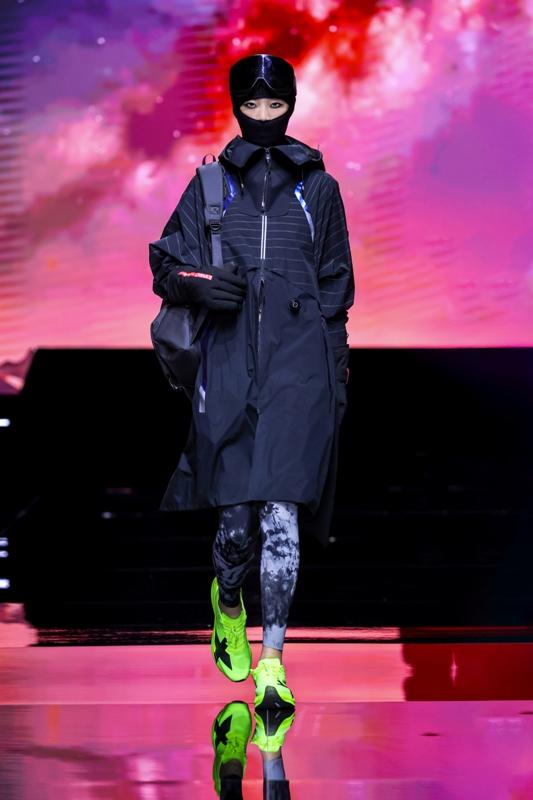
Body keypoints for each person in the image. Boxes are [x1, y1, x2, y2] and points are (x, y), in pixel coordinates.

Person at [149, 54, 354, 716]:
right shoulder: (211, 185)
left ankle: (273, 663)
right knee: (236, 526)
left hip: (300, 368)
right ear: (236, 106)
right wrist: (201, 284)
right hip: (230, 364)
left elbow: (335, 289)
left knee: (282, 516)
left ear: (291, 105)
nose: (264, 115)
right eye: (252, 105)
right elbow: (165, 264)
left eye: (275, 104)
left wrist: (334, 376)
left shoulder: (319, 189)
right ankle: (229, 602)